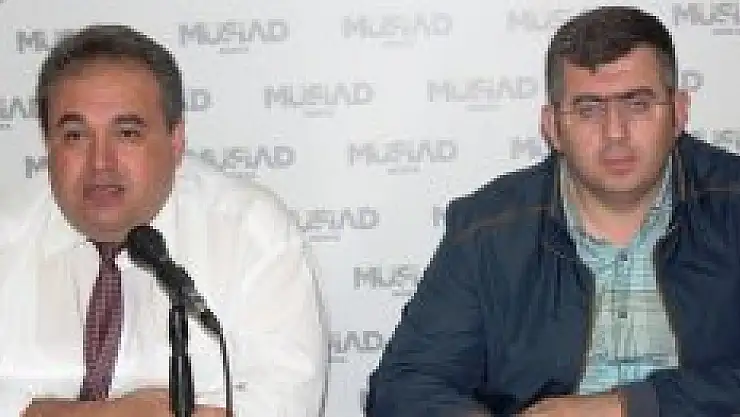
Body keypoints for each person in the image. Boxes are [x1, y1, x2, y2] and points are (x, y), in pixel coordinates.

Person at [365, 6, 740, 417]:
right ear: (553, 127)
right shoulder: (488, 231)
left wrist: (627, 406)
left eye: (637, 104)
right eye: (589, 109)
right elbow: (405, 385)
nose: (615, 133)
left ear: (679, 112)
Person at [0, 24, 327, 417]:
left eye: (127, 133)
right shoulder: (8, 235)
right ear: (47, 143)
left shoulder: (251, 234)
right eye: (75, 135)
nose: (100, 163)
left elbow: (286, 401)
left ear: (176, 141)